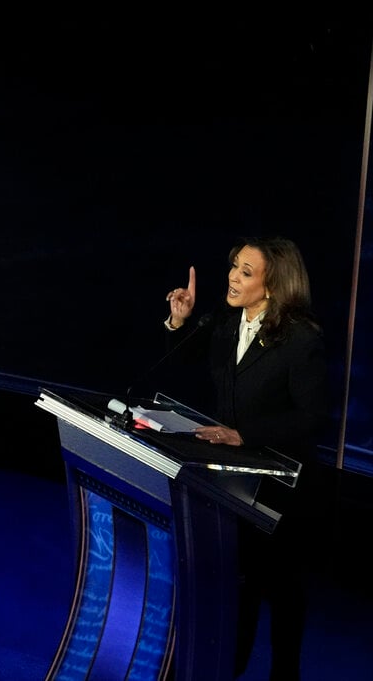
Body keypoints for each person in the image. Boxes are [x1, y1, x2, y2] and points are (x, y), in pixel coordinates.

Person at [164, 236, 328, 681]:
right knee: (241, 585)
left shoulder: (300, 340)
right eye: (234, 266)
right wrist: (180, 321)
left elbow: (313, 417)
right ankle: (224, 670)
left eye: (246, 272)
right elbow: (196, 364)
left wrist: (244, 434)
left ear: (273, 286)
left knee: (282, 589)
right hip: (233, 481)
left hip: (283, 487)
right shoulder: (223, 322)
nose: (234, 278)